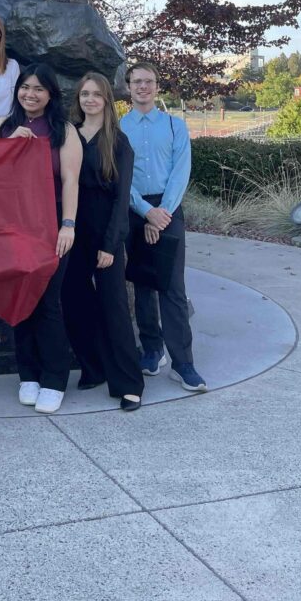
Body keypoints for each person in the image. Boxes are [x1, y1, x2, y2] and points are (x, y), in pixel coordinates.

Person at [0, 63, 82, 414]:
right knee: (21, 299)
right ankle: (28, 373)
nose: (31, 94)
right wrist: (7, 146)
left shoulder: (64, 130)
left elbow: (71, 180)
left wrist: (67, 224)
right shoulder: (2, 126)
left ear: (51, 94)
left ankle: (55, 378)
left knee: (48, 301)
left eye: (39, 88)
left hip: (52, 224)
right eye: (25, 87)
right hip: (13, 226)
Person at [119, 62, 207, 392]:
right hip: (134, 207)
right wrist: (145, 211)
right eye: (137, 81)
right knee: (142, 282)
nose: (143, 86)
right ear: (128, 87)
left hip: (168, 209)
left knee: (172, 286)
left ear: (157, 87)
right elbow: (120, 178)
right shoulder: (119, 128)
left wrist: (162, 214)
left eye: (149, 81)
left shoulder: (174, 126)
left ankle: (183, 362)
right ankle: (153, 350)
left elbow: (180, 171)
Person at [62, 72, 144, 411]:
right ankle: (93, 367)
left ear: (107, 100)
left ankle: (129, 383)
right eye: (84, 94)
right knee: (75, 301)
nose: (90, 99)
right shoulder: (69, 136)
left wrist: (110, 246)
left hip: (105, 231)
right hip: (72, 230)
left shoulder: (118, 142)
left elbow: (121, 199)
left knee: (114, 307)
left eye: (96, 94)